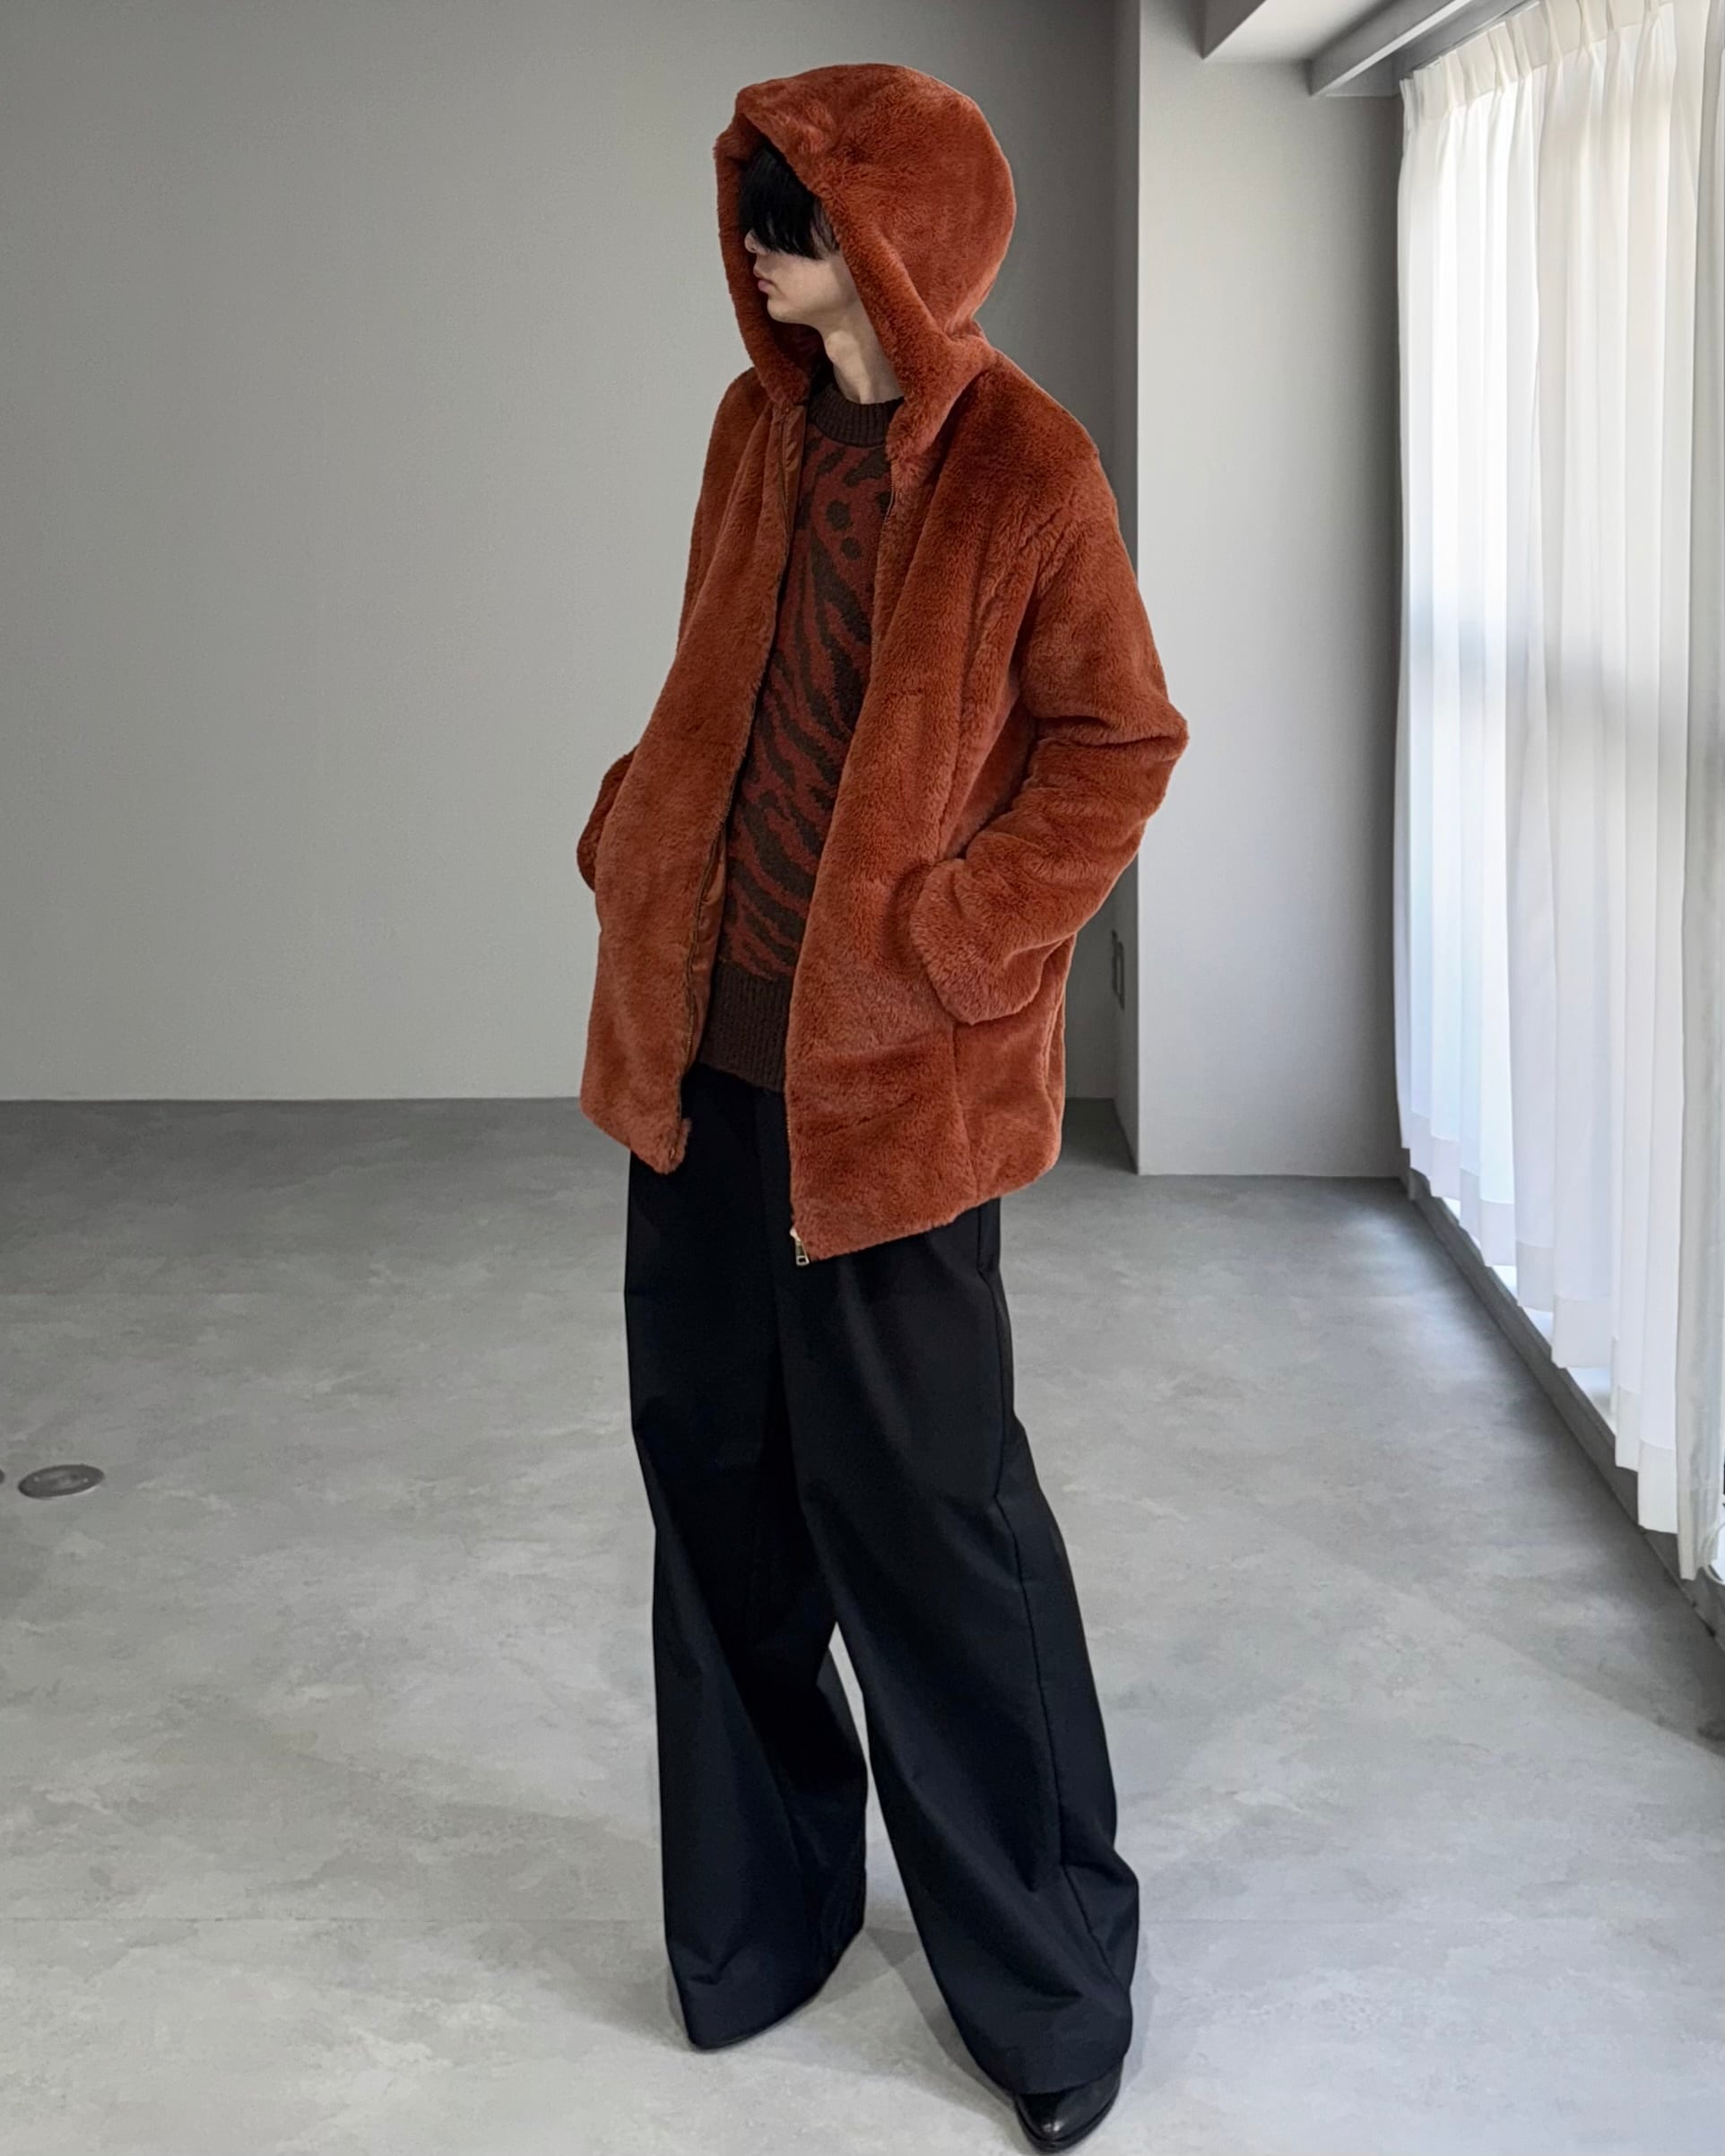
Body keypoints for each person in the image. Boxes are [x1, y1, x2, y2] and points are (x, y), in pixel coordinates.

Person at [576, 62, 1189, 2155]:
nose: (760, 247)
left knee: (932, 1533)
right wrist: (635, 830)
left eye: (803, 215)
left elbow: (1117, 741)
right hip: (697, 1058)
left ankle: (1048, 1978)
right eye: (755, 205)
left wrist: (953, 941)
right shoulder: (750, 435)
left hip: (893, 1092)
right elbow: (716, 685)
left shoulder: (1027, 462)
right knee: (717, 1497)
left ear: (898, 242)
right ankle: (764, 1923)